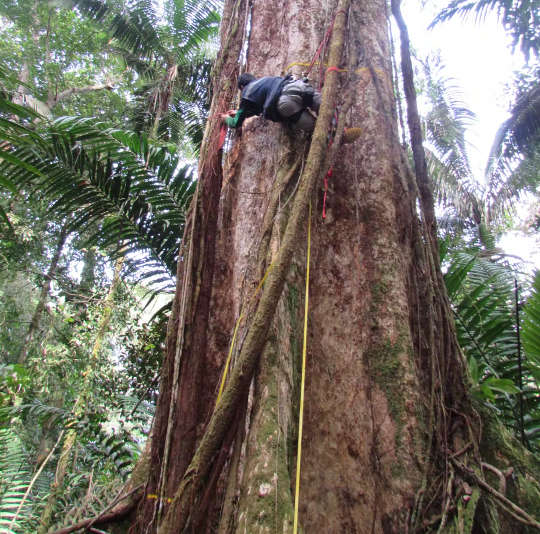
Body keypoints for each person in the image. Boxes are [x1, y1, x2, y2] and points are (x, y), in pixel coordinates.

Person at [221, 73, 321, 132]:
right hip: (297, 86)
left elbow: (235, 123)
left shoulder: (246, 93)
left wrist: (226, 118)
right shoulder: (266, 80)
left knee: (317, 128)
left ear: (242, 87)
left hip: (285, 103)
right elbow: (255, 106)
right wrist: (238, 111)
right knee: (327, 110)